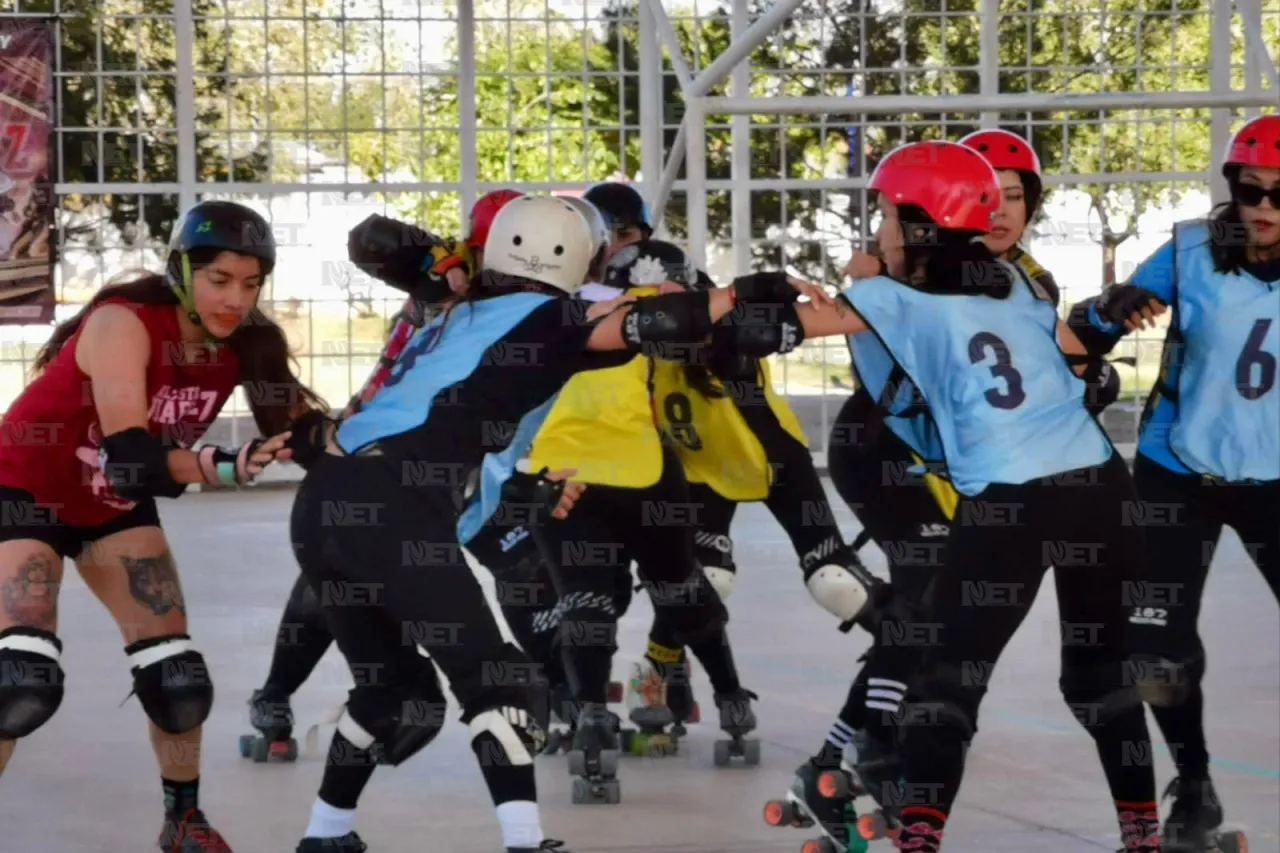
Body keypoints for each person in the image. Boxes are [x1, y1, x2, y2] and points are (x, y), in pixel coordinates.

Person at [286, 194, 799, 851]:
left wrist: (439, 266)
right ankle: (525, 842)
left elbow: (373, 245)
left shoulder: (458, 310)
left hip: (323, 503)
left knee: (392, 691)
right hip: (393, 510)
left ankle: (326, 833)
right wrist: (739, 294)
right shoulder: (548, 314)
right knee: (501, 686)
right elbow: (653, 324)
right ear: (571, 255)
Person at [758, 140, 1163, 853]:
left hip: (1013, 504)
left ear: (917, 225)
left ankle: (919, 841)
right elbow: (1072, 350)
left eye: (885, 212)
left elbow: (794, 327)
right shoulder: (1014, 280)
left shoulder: (889, 294)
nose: (877, 225)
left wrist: (723, 312)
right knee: (1103, 678)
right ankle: (1144, 837)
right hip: (1103, 490)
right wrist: (1099, 332)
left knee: (946, 690)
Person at [0, 199, 327, 853]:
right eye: (219, 279)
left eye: (251, 282)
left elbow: (307, 436)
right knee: (20, 679)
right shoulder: (124, 322)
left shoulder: (247, 344)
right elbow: (131, 459)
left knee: (177, 678)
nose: (236, 298)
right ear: (181, 270)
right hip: (26, 490)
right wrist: (227, 466)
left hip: (114, 508)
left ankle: (184, 823)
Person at [238, 189, 526, 761]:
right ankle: (279, 694)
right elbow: (370, 238)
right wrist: (435, 261)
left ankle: (278, 698)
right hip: (402, 453)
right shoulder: (464, 282)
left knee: (345, 576)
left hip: (422, 455)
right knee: (343, 579)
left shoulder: (481, 289)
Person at [1067, 113, 1278, 853]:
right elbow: (1082, 333)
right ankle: (1193, 781)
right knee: (1155, 653)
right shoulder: (1192, 250)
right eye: (1251, 191)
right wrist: (1106, 309)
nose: (1264, 208)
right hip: (1176, 468)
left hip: (1276, 476)